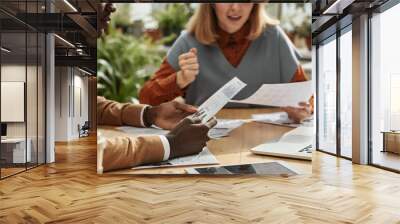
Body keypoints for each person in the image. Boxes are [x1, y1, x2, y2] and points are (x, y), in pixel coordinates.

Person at [139, 3, 313, 123]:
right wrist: (179, 79)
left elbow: (307, 98)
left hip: (268, 143)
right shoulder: (188, 41)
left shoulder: (275, 37)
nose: (235, 7)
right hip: (204, 144)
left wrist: (304, 110)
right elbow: (146, 99)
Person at [96, 4, 216, 173]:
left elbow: (94, 106)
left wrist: (149, 114)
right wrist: (171, 144)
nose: (113, 6)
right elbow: (92, 154)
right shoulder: (189, 41)